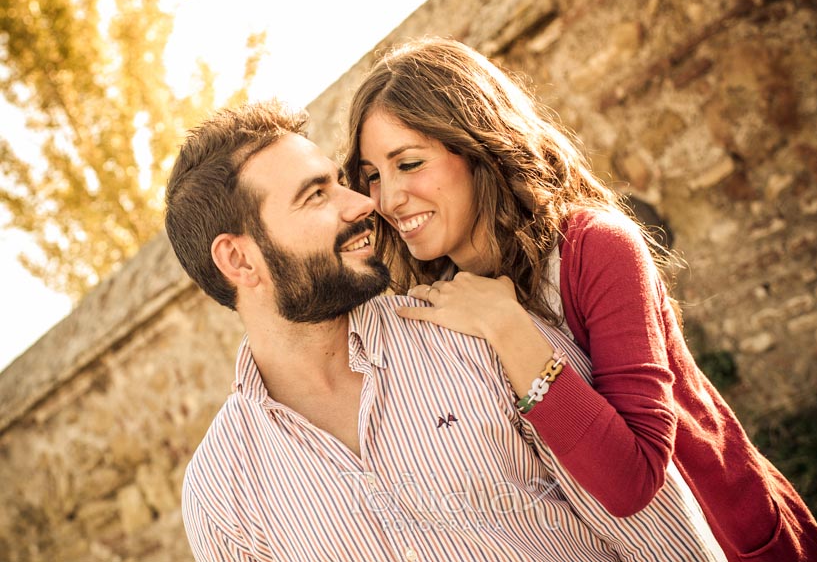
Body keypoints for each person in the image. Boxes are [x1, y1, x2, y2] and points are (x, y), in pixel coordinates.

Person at [343, 37, 817, 562]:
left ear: (476, 148)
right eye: (373, 175)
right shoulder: (431, 304)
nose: (388, 198)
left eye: (409, 163)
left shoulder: (595, 248)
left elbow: (631, 480)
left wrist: (508, 327)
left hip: (727, 534)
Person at [165, 100, 727, 561]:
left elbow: (661, 536)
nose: (363, 204)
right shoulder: (222, 494)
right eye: (316, 196)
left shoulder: (479, 333)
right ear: (238, 261)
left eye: (341, 183)